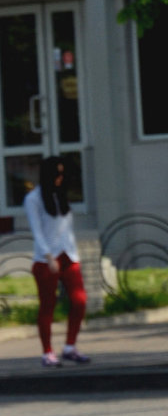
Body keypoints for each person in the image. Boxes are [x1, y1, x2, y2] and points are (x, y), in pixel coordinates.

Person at [24, 155, 90, 367]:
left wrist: (74, 253)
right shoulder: (33, 199)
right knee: (47, 306)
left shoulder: (61, 196)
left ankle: (70, 346)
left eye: (63, 174)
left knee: (79, 300)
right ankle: (47, 352)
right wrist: (47, 256)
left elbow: (65, 230)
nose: (60, 178)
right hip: (47, 260)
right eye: (57, 174)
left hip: (68, 256)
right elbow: (37, 231)